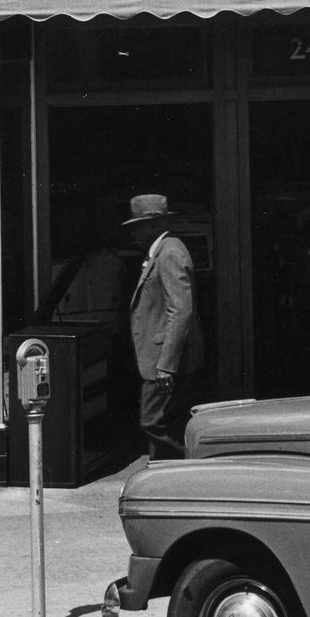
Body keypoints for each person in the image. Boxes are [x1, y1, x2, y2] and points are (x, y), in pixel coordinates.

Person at [125, 194, 204, 458]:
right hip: (160, 358)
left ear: (154, 224)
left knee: (152, 421)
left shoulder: (169, 252)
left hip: (165, 360)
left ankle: (189, 464)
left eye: (137, 226)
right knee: (165, 421)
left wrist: (166, 365)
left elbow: (180, 310)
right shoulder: (161, 251)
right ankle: (162, 469)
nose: (133, 233)